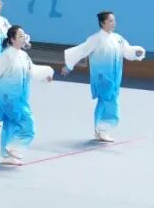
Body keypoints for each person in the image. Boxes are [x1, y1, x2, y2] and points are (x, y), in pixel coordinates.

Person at [0, 26, 53, 166]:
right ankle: (14, 149)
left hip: (20, 97)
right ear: (12, 39)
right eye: (20, 36)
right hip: (9, 99)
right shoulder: (6, 56)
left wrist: (45, 75)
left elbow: (32, 71)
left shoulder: (24, 56)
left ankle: (7, 156)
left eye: (24, 36)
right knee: (28, 126)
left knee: (10, 126)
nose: (24, 38)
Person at [62, 11, 145, 142]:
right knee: (110, 101)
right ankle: (103, 129)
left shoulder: (118, 38)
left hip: (115, 77)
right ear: (102, 23)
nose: (113, 23)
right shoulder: (96, 39)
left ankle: (98, 130)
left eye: (114, 21)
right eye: (110, 21)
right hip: (102, 77)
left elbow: (127, 50)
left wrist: (136, 52)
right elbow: (82, 50)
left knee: (103, 102)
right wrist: (69, 65)